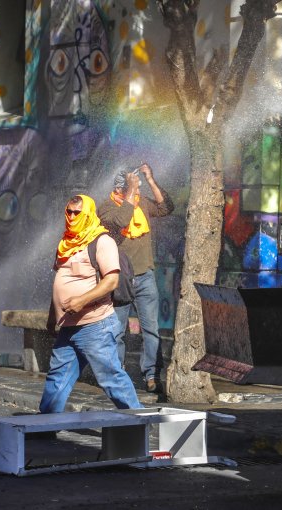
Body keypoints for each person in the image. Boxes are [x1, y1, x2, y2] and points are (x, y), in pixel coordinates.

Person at [39, 195, 142, 415]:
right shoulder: (66, 243)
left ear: (88, 213)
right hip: (68, 326)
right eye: (69, 212)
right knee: (58, 375)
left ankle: (139, 420)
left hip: (95, 325)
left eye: (78, 213)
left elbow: (111, 280)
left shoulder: (101, 241)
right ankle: (45, 424)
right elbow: (59, 282)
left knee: (110, 377)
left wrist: (81, 300)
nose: (72, 217)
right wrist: (51, 316)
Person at [98, 163, 174, 394]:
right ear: (121, 189)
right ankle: (117, 374)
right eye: (134, 188)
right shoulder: (106, 208)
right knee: (117, 331)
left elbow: (166, 207)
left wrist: (150, 180)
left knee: (151, 330)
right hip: (120, 280)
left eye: (139, 189)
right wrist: (132, 190)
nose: (139, 193)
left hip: (145, 276)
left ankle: (151, 375)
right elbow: (120, 221)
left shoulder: (140, 204)